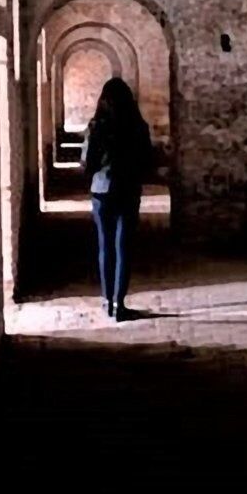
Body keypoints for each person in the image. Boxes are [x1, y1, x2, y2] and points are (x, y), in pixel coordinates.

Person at [80, 77, 152, 322]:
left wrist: (99, 169)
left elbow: (87, 163)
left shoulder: (97, 126)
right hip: (128, 189)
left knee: (105, 245)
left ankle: (106, 300)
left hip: (102, 190)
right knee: (123, 247)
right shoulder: (139, 126)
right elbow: (147, 160)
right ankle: (119, 304)